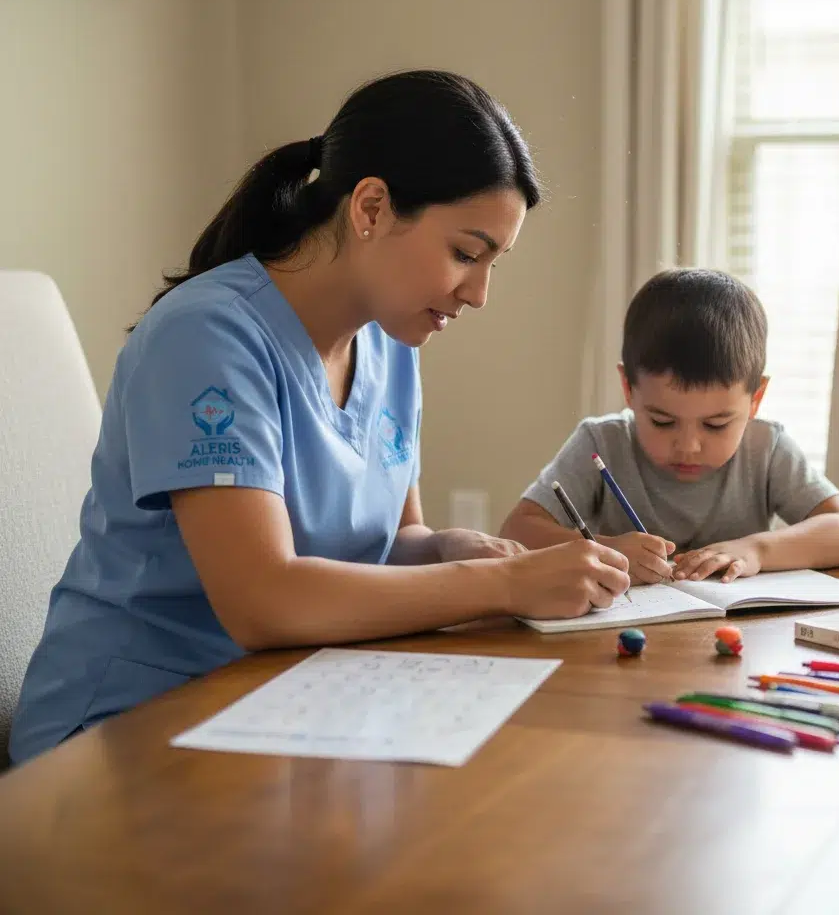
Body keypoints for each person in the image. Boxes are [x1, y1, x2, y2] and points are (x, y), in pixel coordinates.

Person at [9, 70, 630, 765]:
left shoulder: (390, 345)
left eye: (493, 263)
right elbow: (264, 601)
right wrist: (504, 586)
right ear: (371, 207)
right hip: (123, 734)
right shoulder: (206, 337)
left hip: (283, 706)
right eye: (465, 253)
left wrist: (451, 548)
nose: (480, 294)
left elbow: (393, 542)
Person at [501, 268, 839, 584]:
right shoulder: (601, 443)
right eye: (662, 421)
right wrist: (606, 549)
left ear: (756, 399)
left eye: (716, 424)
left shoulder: (766, 448)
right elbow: (517, 532)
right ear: (628, 388)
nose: (689, 445)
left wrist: (755, 549)